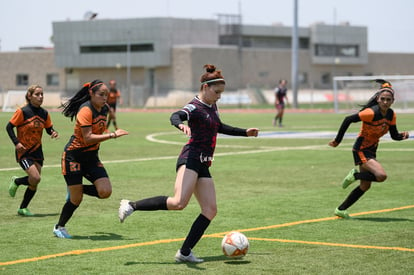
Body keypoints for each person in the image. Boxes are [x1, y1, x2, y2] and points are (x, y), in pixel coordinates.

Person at [118, 64, 259, 263]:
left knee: (210, 210)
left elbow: (218, 126)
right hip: (190, 157)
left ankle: (184, 253)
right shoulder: (194, 106)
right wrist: (179, 124)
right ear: (205, 88)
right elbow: (176, 115)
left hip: (203, 162)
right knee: (178, 203)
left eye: (221, 93)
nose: (219, 96)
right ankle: (131, 205)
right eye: (217, 92)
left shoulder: (212, 106)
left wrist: (245, 132)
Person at [53, 80, 128, 238]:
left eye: (106, 95)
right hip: (73, 157)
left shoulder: (105, 109)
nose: (105, 98)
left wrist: (108, 131)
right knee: (76, 199)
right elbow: (87, 138)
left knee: (105, 192)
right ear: (91, 94)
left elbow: (99, 128)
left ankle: (75, 188)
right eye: (101, 94)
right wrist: (112, 135)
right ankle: (59, 227)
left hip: (91, 158)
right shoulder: (85, 110)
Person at [328, 79, 409, 219]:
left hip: (371, 149)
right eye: (382, 99)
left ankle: (340, 210)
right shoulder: (370, 113)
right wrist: (337, 141)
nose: (385, 102)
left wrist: (402, 136)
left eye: (388, 100)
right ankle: (355, 175)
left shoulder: (391, 115)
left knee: (365, 186)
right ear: (378, 99)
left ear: (393, 101)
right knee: (381, 176)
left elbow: (394, 135)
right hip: (361, 149)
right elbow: (348, 120)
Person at [6, 85, 59, 216]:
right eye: (37, 94)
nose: (41, 97)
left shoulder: (44, 113)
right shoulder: (22, 112)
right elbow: (9, 127)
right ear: (30, 96)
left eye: (42, 94)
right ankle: (16, 181)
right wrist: (16, 143)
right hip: (23, 151)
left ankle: (23, 208)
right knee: (35, 177)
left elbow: (48, 128)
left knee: (34, 182)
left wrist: (53, 132)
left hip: (37, 150)